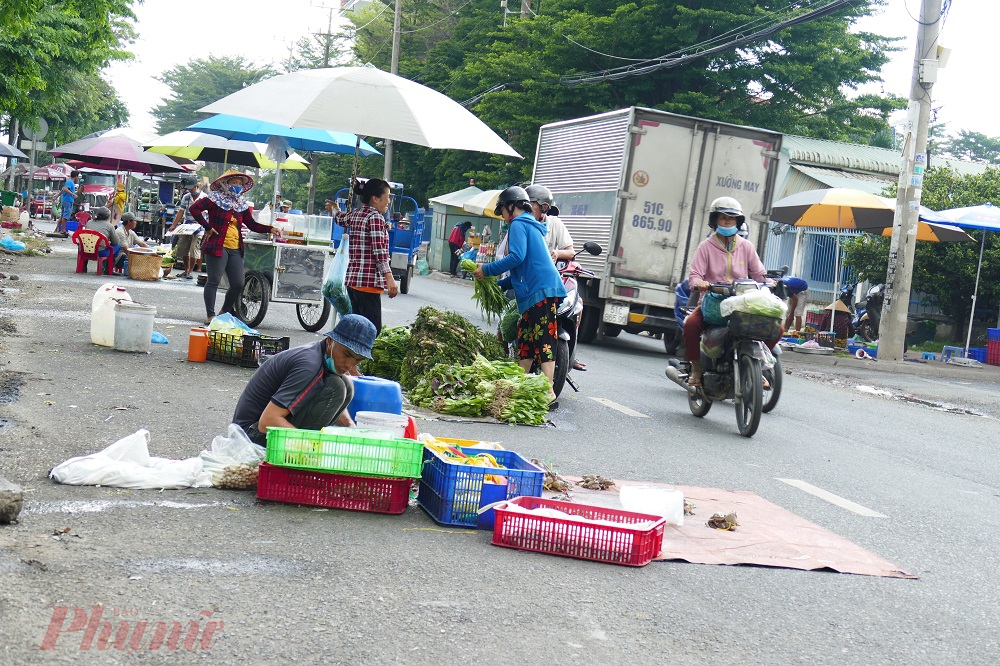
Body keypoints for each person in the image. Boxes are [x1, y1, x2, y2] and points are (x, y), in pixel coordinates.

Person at [473, 186, 566, 407]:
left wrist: (486, 270)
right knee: (525, 338)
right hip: (533, 292)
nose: (503, 217)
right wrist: (496, 284)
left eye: (503, 211)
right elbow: (519, 269)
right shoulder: (527, 224)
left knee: (544, 338)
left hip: (541, 290)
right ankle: (518, 384)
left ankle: (548, 390)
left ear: (511, 206)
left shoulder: (519, 224)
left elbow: (516, 257)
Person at [232, 314, 376, 447]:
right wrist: (306, 447)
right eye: (346, 354)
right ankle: (298, 453)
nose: (349, 365)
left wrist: (348, 425)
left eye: (357, 361)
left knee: (347, 384)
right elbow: (267, 422)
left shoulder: (322, 355)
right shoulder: (308, 366)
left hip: (258, 429)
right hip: (248, 436)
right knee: (336, 387)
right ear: (331, 341)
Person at [682, 197, 779, 388]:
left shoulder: (746, 246)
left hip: (742, 303)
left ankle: (757, 365)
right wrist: (699, 283)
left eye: (732, 218)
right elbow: (695, 274)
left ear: (738, 222)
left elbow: (759, 273)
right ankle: (696, 367)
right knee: (691, 325)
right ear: (715, 220)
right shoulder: (705, 247)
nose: (727, 221)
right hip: (712, 302)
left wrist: (771, 282)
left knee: (777, 327)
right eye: (723, 217)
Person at [188, 169, 278, 325]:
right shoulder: (214, 198)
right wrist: (207, 227)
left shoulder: (241, 204)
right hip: (217, 245)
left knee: (238, 283)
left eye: (239, 184)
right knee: (213, 281)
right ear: (225, 183)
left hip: (236, 248)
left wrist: (270, 229)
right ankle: (210, 315)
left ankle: (224, 312)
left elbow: (252, 224)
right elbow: (194, 209)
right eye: (234, 182)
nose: (237, 186)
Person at [524, 184, 587, 371]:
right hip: (527, 284)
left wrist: (556, 253)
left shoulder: (554, 224)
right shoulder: (522, 225)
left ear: (543, 207)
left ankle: (571, 353)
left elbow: (571, 252)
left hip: (550, 284)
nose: (528, 210)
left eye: (531, 205)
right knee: (515, 324)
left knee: (577, 306)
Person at [329, 178, 399, 335]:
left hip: (353, 283)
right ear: (375, 198)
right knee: (372, 331)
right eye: (387, 196)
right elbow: (379, 251)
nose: (388, 201)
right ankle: (358, 358)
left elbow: (340, 218)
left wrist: (335, 209)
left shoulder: (357, 214)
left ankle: (352, 358)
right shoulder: (375, 217)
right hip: (368, 283)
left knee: (358, 329)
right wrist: (389, 278)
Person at [168, 175, 206, 279]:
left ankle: (190, 271)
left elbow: (203, 214)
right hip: (187, 225)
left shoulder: (204, 197)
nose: (189, 190)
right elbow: (181, 212)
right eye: (188, 188)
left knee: (194, 249)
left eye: (191, 187)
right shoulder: (186, 197)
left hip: (199, 227)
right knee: (183, 248)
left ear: (196, 186)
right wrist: (174, 225)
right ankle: (186, 270)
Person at [55, 171, 79, 236]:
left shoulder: (69, 182)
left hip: (65, 200)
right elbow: (65, 189)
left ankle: (57, 229)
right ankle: (63, 230)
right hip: (68, 200)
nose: (78, 178)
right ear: (76, 176)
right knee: (65, 216)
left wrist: (56, 197)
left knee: (62, 216)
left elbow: (62, 190)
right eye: (78, 176)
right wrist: (73, 194)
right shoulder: (70, 182)